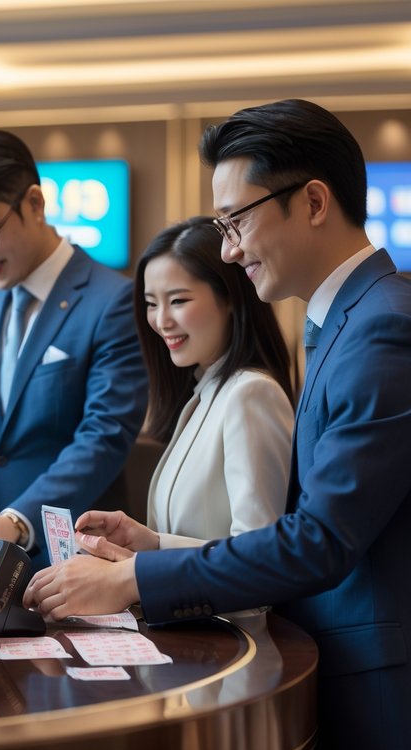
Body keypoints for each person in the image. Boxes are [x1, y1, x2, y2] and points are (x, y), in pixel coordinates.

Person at [24, 99, 411, 750]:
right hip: (361, 677)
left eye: (236, 220)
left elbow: (318, 542)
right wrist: (150, 549)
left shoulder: (388, 329)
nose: (228, 248)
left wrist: (134, 579)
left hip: (389, 700)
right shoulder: (350, 320)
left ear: (313, 202)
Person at [0, 129, 147, 559]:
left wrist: (20, 519)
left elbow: (104, 437)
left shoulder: (113, 301)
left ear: (35, 204)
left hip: (76, 558)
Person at [74, 218, 293, 550]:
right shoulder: (205, 393)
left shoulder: (251, 393)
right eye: (151, 304)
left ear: (230, 298)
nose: (161, 321)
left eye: (178, 301)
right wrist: (146, 544)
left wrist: (145, 562)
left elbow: (260, 553)